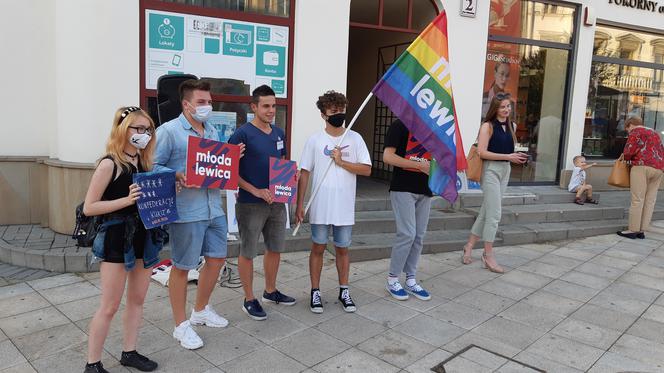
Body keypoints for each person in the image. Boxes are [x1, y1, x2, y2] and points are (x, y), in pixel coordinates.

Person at [154, 79, 242, 350]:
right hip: (186, 212)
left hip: (214, 208)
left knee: (216, 259)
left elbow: (216, 167)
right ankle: (181, 326)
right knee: (182, 267)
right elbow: (150, 166)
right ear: (186, 104)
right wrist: (176, 175)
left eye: (209, 102)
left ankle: (200, 310)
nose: (207, 106)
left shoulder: (212, 131)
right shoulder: (169, 131)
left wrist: (232, 158)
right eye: (201, 102)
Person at [83, 106, 164, 373]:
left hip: (143, 236)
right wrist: (126, 200)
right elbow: (89, 207)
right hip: (116, 238)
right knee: (110, 305)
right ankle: (92, 363)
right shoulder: (110, 164)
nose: (144, 134)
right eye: (138, 128)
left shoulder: (143, 162)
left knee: (138, 299)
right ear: (123, 129)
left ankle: (129, 352)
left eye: (147, 129)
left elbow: (146, 201)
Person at [295, 91, 371, 313]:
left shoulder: (355, 138)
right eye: (334, 111)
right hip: (320, 205)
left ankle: (344, 290)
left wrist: (342, 162)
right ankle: (315, 291)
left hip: (344, 206)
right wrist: (300, 204)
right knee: (318, 247)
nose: (339, 114)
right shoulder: (314, 140)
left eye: (341, 110)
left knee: (343, 249)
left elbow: (366, 169)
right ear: (323, 114)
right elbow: (305, 173)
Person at [228, 85, 296, 320]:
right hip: (250, 203)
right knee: (248, 251)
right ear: (254, 107)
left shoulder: (278, 133)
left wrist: (290, 176)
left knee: (275, 248)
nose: (271, 110)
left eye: (274, 106)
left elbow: (283, 160)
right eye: (266, 106)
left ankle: (270, 290)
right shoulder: (241, 135)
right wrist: (255, 191)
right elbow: (229, 171)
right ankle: (249, 298)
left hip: (277, 202)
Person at [461, 94, 527, 273]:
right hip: (490, 170)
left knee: (486, 211)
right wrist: (508, 156)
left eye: (508, 106)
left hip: (506, 170)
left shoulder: (512, 126)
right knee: (495, 214)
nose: (506, 110)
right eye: (502, 107)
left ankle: (469, 245)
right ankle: (487, 254)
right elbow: (482, 152)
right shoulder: (487, 126)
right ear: (495, 109)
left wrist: (515, 157)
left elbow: (507, 150)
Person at [382, 119, 434, 301]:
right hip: (403, 187)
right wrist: (420, 165)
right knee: (407, 234)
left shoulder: (432, 127)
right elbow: (387, 157)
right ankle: (392, 279)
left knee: (419, 236)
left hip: (426, 189)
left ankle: (410, 279)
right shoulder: (400, 124)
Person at [617, 116, 664, 239]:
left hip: (641, 167)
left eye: (627, 129)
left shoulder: (635, 132)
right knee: (650, 200)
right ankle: (642, 229)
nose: (628, 131)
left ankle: (633, 229)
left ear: (630, 125)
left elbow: (628, 151)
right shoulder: (654, 133)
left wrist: (625, 159)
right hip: (659, 169)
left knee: (637, 199)